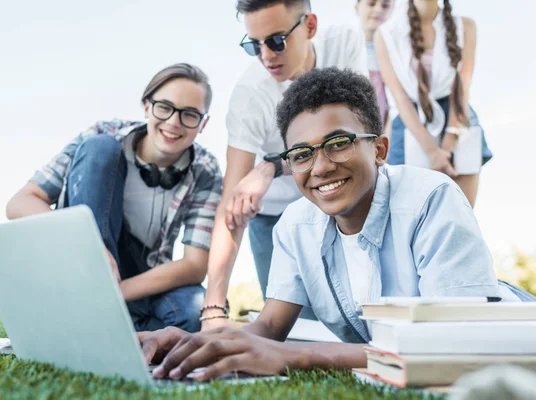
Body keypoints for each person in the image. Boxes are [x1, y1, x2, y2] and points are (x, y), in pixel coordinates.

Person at [136, 67, 535, 381]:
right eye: (302, 154)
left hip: (512, 341)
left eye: (339, 143)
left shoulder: (431, 198)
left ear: (379, 148)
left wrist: (298, 356)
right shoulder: (295, 225)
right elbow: (270, 327)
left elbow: (451, 345)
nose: (321, 166)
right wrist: (188, 342)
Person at [6, 63, 223, 333]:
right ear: (146, 106)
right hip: (85, 260)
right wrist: (86, 243)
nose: (173, 122)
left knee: (193, 312)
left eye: (189, 114)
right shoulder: (103, 133)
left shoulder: (206, 169)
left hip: (143, 277)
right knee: (99, 149)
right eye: (164, 107)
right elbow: (20, 203)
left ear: (203, 123)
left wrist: (116, 292)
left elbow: (194, 265)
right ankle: (91, 307)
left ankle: (106, 317)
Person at [200, 0, 367, 328]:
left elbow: (352, 139)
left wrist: (269, 168)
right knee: (297, 329)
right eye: (254, 45)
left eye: (276, 41)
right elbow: (231, 203)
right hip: (272, 219)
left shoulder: (345, 45)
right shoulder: (250, 96)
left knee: (351, 323)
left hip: (334, 199)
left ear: (310, 26)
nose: (266, 56)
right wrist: (214, 309)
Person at [375, 0, 492, 207]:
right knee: (412, 215)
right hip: (412, 122)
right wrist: (431, 151)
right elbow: (400, 98)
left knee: (461, 212)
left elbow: (462, 87)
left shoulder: (466, 26)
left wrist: (448, 143)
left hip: (459, 119)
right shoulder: (385, 35)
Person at [354, 0, 394, 132]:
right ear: (357, 8)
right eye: (371, 4)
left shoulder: (396, 55)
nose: (378, 10)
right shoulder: (348, 50)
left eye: (385, 6)